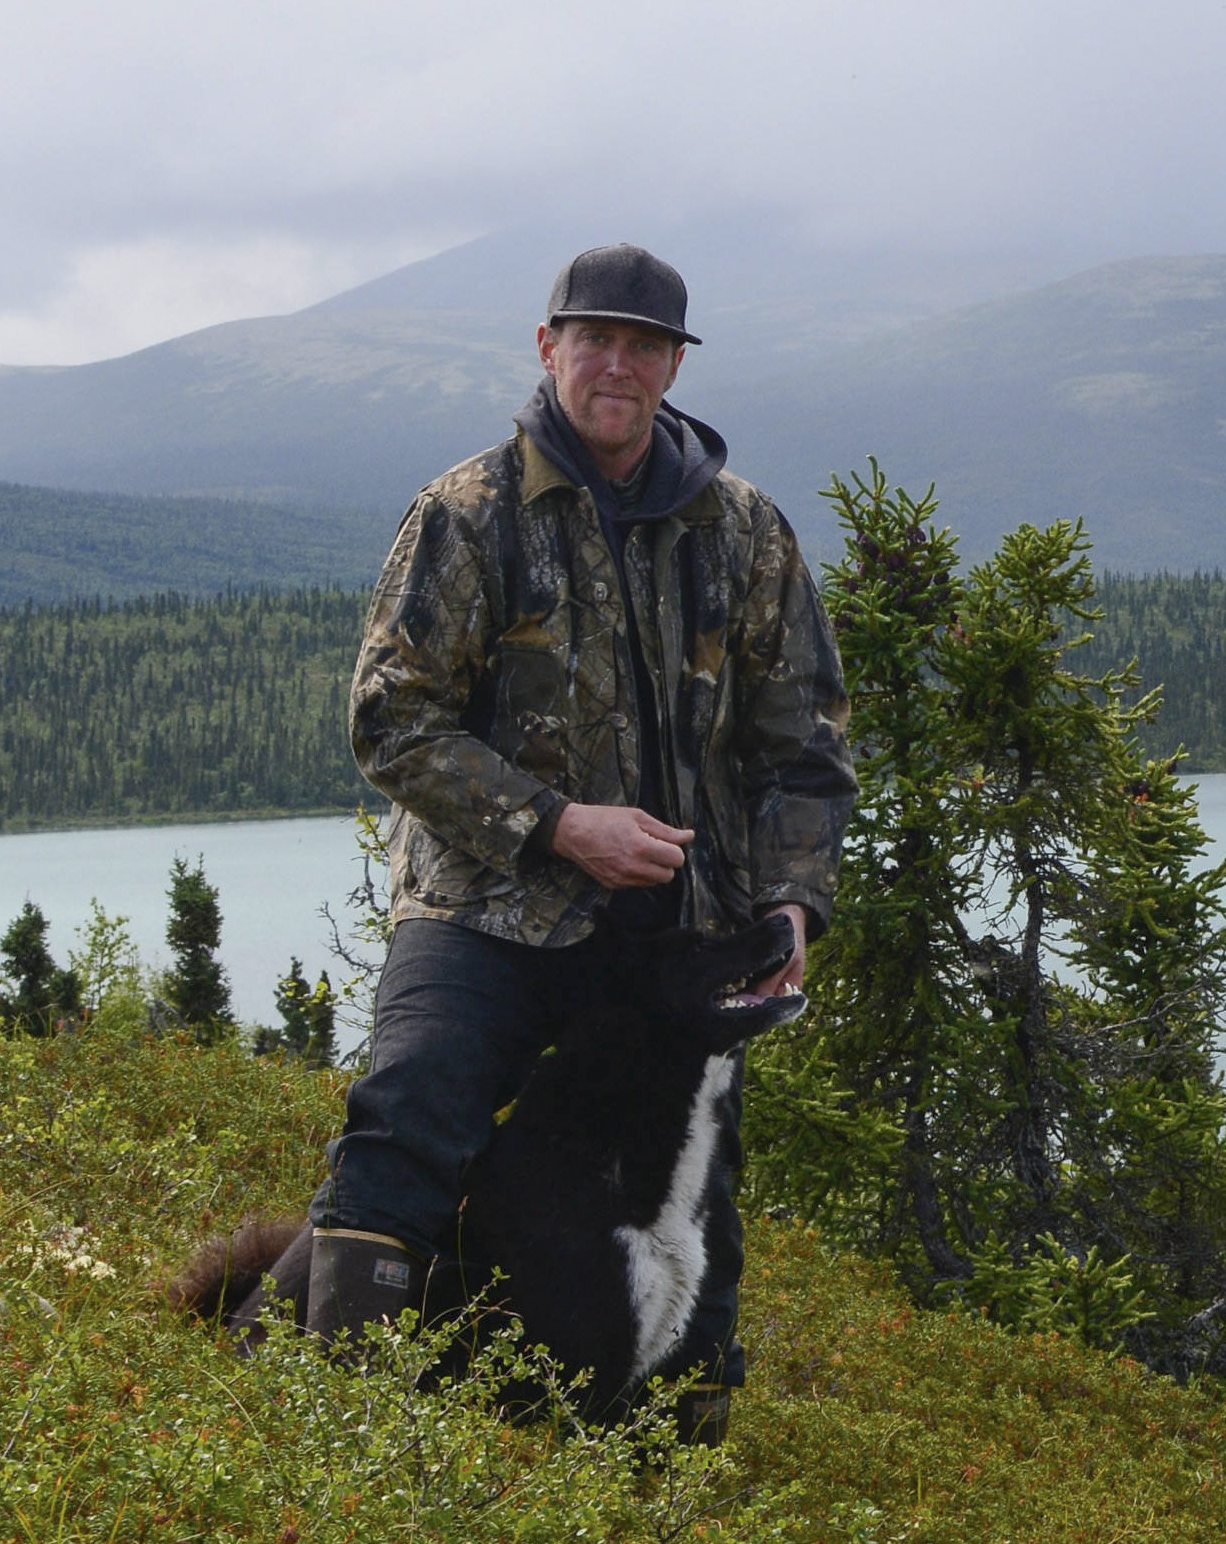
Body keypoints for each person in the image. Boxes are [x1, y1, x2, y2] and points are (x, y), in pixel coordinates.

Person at [287, 242, 854, 1372]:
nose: (618, 366)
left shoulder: (744, 533)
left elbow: (804, 748)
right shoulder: (467, 513)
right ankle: (328, 1414)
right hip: (482, 912)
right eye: (594, 339)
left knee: (691, 1186)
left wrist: (791, 908)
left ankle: (674, 1455)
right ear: (548, 348)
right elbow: (390, 719)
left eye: (645, 346)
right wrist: (556, 823)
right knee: (409, 1111)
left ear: (674, 368)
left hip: (671, 934)